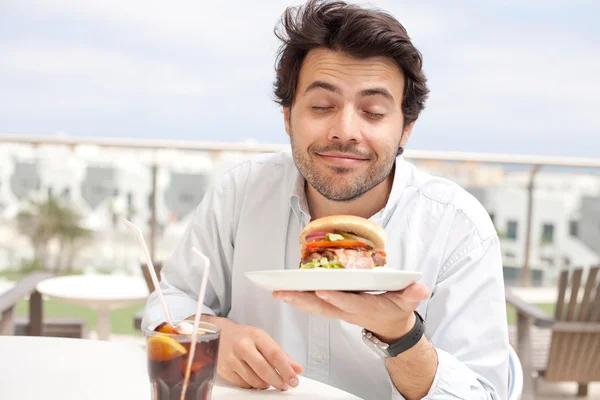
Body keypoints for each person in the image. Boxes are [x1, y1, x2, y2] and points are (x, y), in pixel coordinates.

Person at [142, 0, 510, 399]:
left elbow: (484, 393)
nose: (344, 130)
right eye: (322, 106)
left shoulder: (457, 228)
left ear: (406, 129)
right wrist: (212, 335)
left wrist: (400, 335)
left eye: (372, 111)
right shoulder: (240, 193)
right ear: (288, 117)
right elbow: (169, 301)